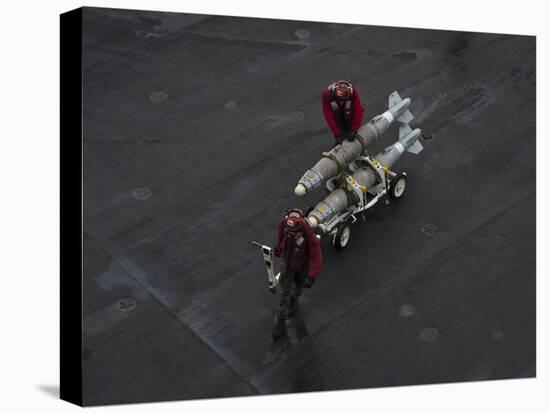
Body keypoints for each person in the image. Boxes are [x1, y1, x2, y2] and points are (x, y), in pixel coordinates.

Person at [272, 208, 323, 340]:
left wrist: (312, 276)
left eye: (292, 232)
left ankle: (294, 298)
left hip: (302, 266)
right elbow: (280, 236)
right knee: (284, 293)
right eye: (288, 231)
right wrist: (278, 248)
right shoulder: (284, 224)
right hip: (287, 263)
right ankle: (280, 321)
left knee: (299, 287)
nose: (290, 233)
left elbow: (317, 256)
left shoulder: (308, 234)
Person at [322, 80, 365, 146]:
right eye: (340, 100)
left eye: (344, 100)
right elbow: (328, 115)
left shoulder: (353, 92)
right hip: (337, 117)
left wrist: (354, 129)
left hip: (349, 115)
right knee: (340, 136)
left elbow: (358, 110)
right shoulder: (327, 95)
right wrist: (336, 133)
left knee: (351, 136)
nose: (342, 102)